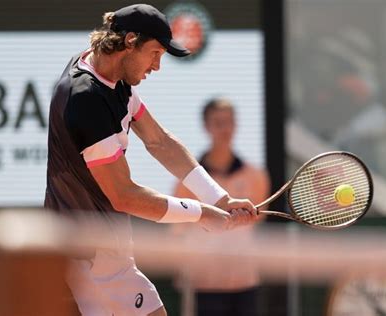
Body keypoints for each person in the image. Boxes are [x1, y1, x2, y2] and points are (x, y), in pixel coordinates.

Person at [44, 4, 258, 316]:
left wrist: (218, 198)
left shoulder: (111, 78)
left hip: (103, 248)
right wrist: (203, 215)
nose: (157, 66)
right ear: (129, 41)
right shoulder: (86, 99)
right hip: (86, 252)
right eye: (155, 53)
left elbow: (159, 142)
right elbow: (124, 195)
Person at [172, 98, 270, 316]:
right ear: (206, 127)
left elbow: (255, 223)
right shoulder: (187, 181)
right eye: (218, 122)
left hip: (245, 281)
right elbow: (178, 229)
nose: (225, 128)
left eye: (229, 122)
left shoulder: (256, 177)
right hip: (203, 283)